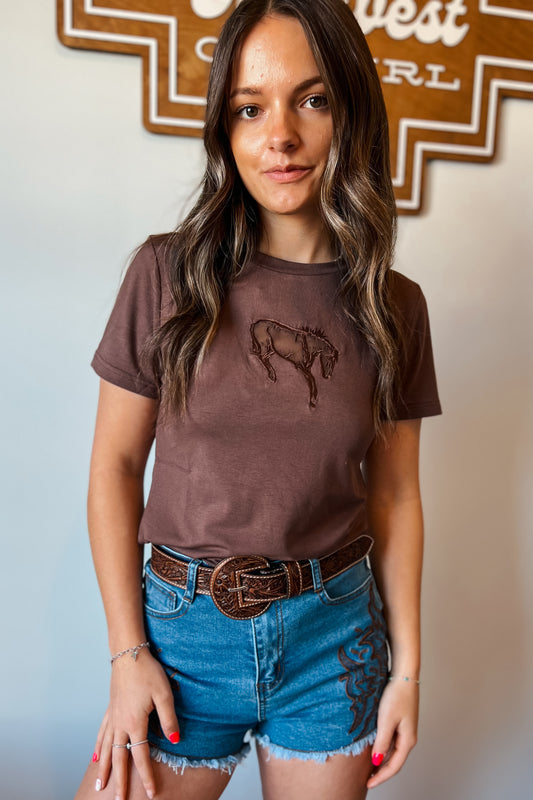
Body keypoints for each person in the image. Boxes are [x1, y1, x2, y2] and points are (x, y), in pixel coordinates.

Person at [74, 0, 441, 798]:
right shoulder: (165, 274)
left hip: (332, 636)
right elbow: (114, 466)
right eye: (249, 107)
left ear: (349, 112)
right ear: (225, 129)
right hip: (180, 641)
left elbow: (396, 493)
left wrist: (407, 670)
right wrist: (127, 655)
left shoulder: (393, 305)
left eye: (310, 99)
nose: (279, 135)